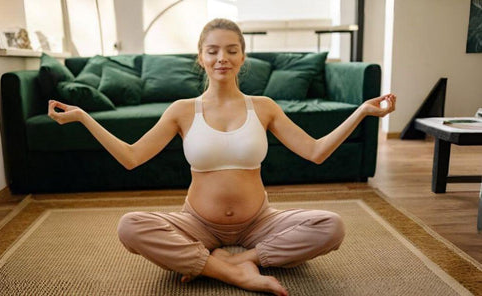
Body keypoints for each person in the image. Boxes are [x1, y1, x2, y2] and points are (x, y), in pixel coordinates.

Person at [48, 18, 396, 296]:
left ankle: (237, 260)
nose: (221, 58)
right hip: (197, 225)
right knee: (130, 226)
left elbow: (316, 152)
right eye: (212, 51)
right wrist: (83, 117)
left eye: (231, 50)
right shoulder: (182, 111)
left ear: (243, 57)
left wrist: (362, 112)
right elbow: (130, 157)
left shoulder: (263, 108)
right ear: (200, 57)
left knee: (331, 227)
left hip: (260, 222)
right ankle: (237, 273)